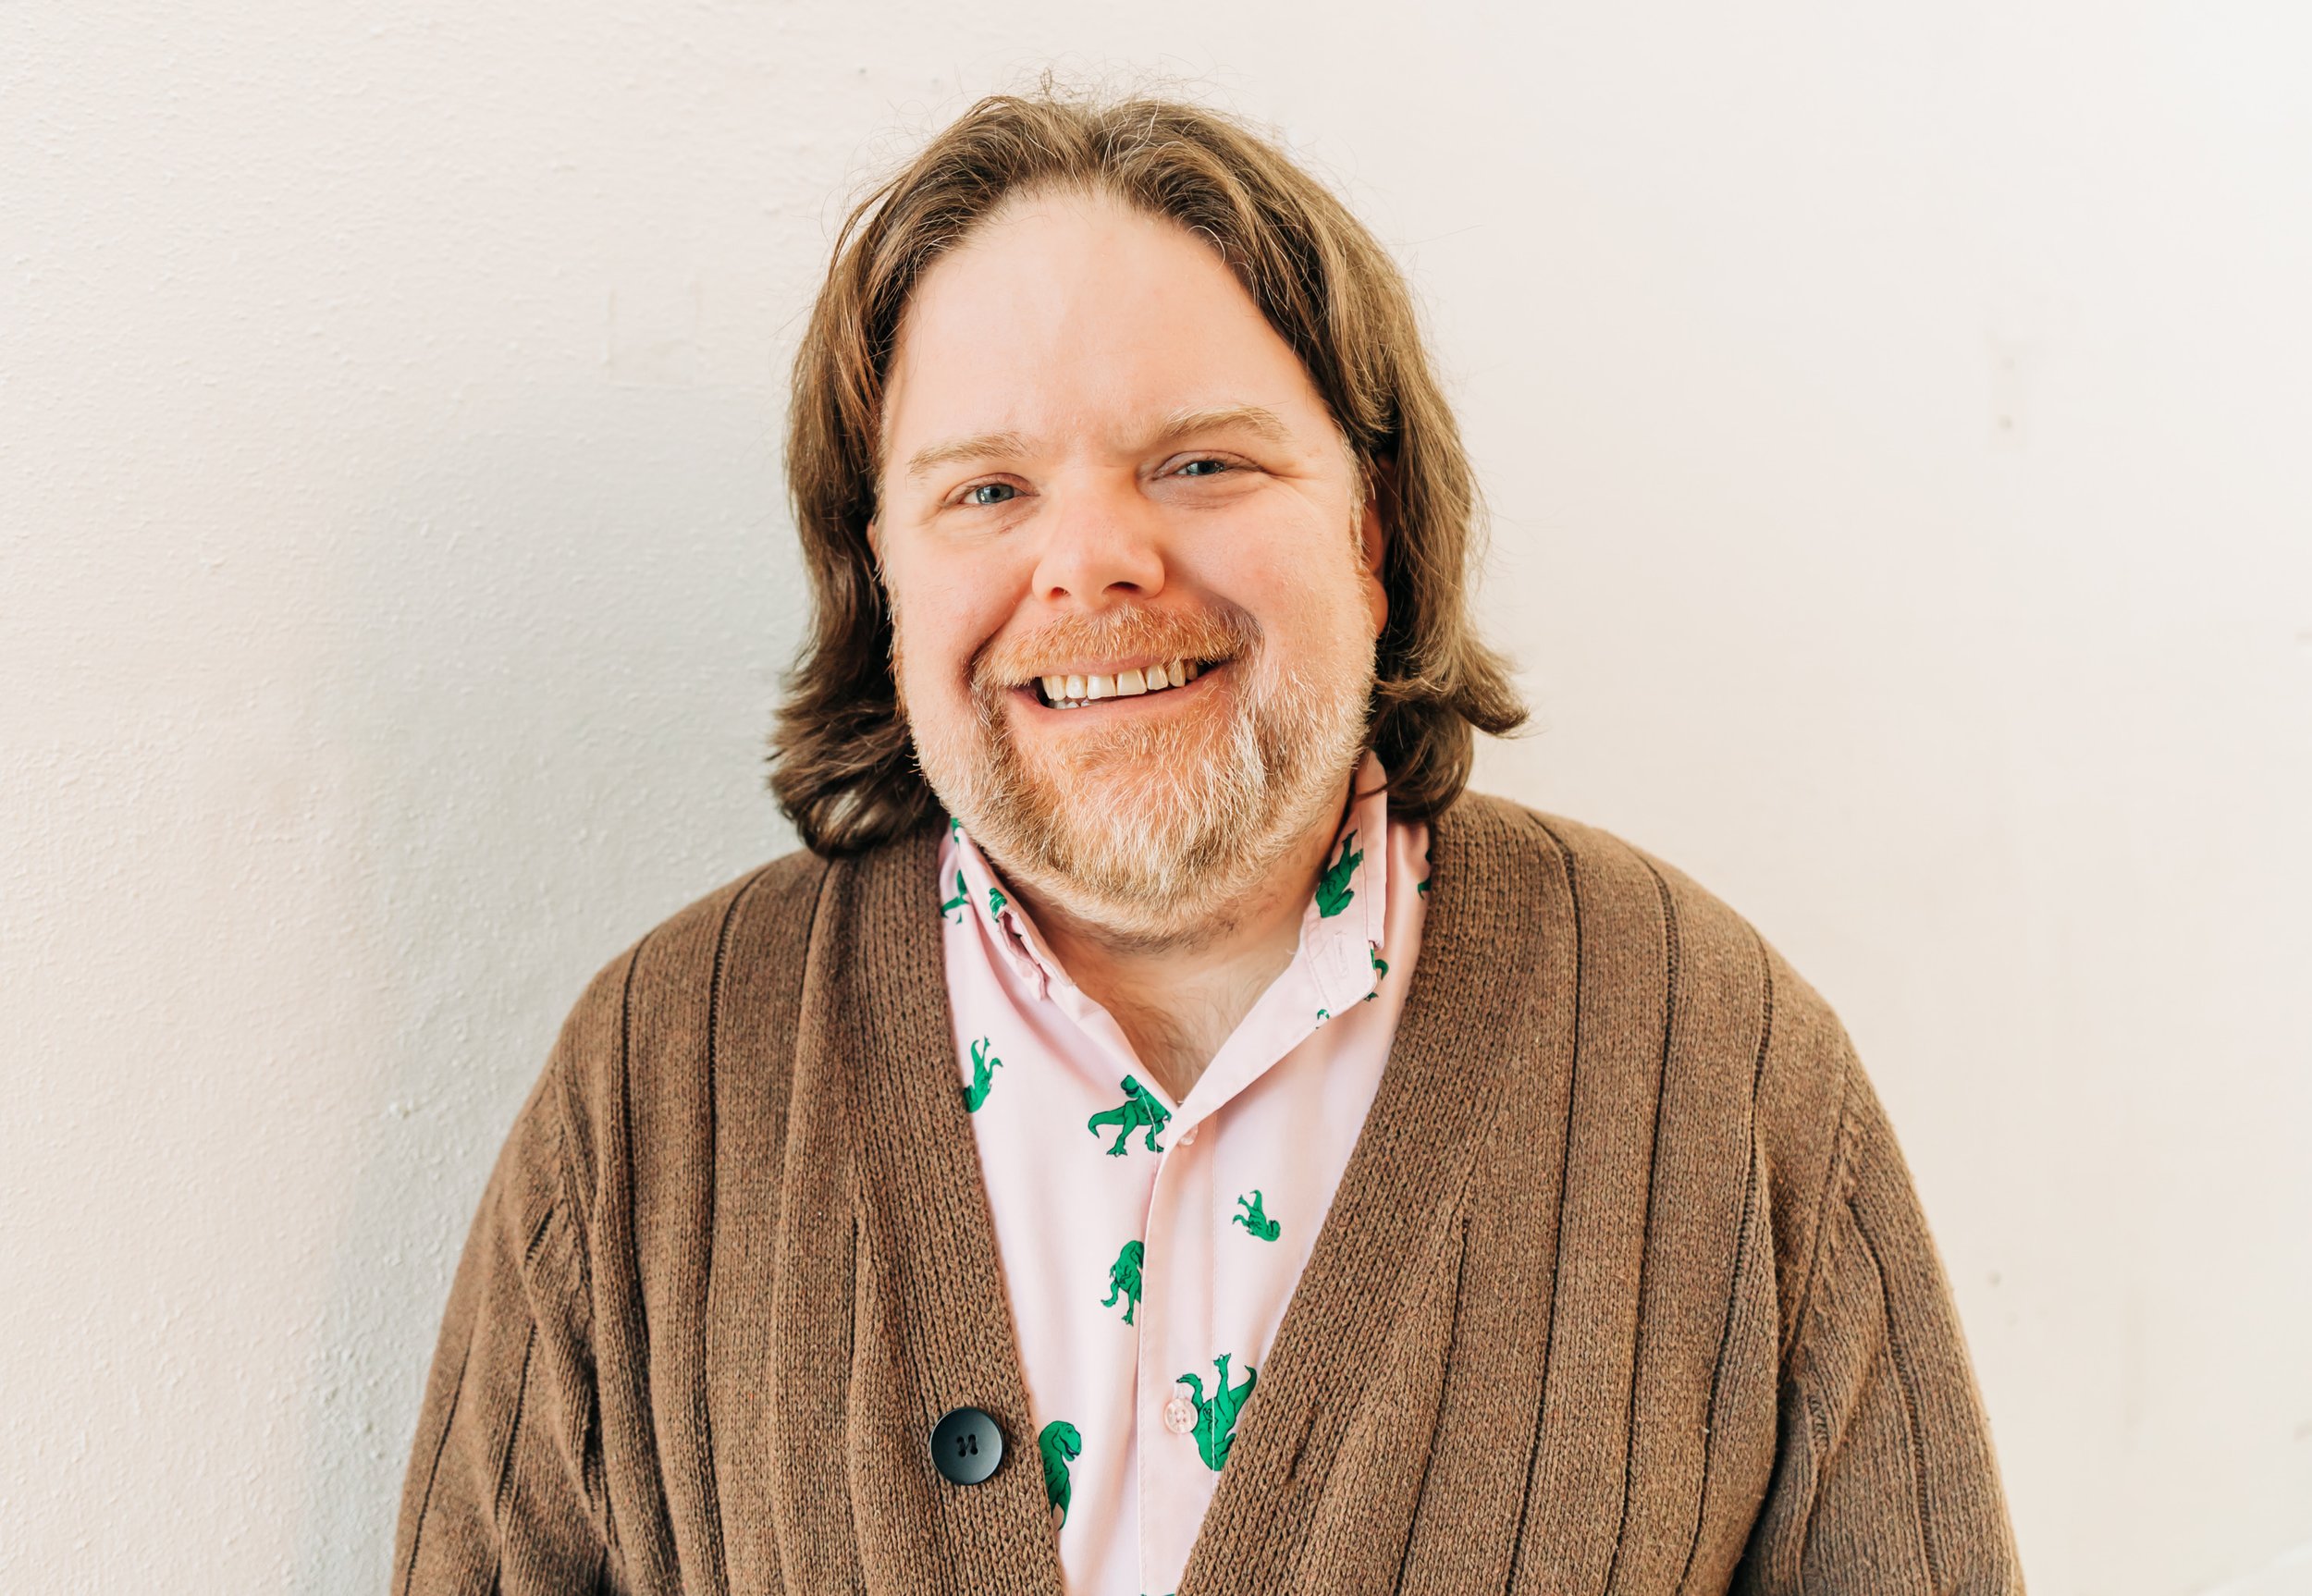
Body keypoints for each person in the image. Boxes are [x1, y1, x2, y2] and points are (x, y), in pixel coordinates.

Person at [392, 89, 2023, 1596]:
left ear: (1373, 531)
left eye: (1201, 461)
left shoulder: (1715, 1060)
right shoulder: (652, 1085)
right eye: (986, 491)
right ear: (879, 570)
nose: (1094, 559)